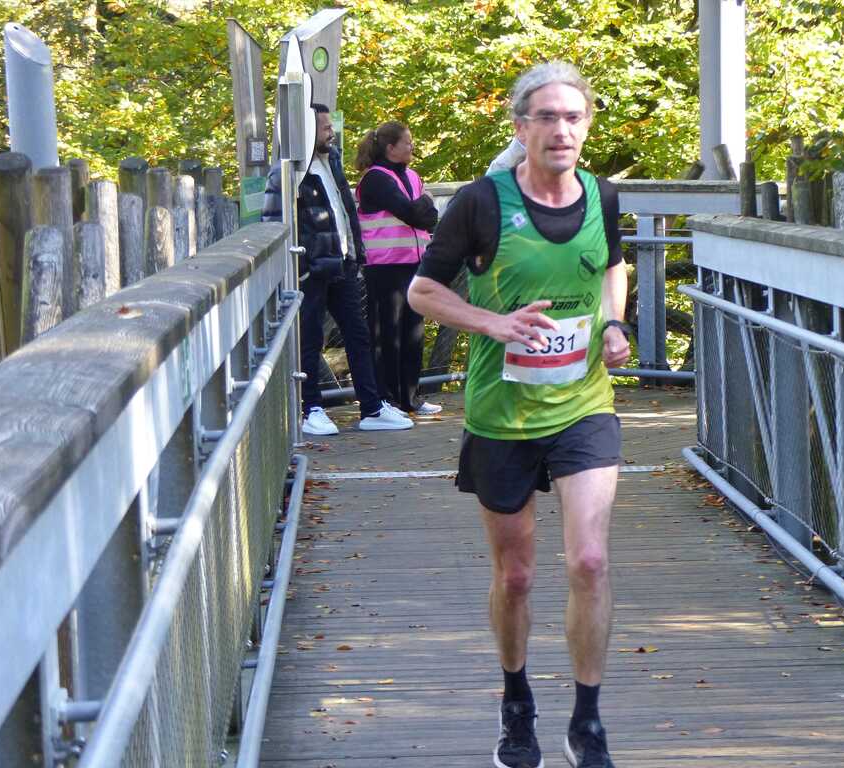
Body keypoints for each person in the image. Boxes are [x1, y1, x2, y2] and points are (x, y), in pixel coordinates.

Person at [408, 63, 631, 768]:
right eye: (547, 117)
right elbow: (421, 292)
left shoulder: (603, 195)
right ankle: (516, 702)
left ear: (586, 126)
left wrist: (613, 322)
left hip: (583, 405)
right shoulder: (480, 203)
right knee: (517, 577)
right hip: (502, 415)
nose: (562, 130)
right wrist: (493, 323)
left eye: (574, 117)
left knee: (589, 560)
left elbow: (611, 264)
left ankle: (587, 722)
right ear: (521, 127)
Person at [262, 103, 413, 435]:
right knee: (310, 338)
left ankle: (372, 407)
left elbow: (344, 210)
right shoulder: (286, 172)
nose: (332, 132)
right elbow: (273, 221)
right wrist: (302, 265)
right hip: (312, 268)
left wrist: (356, 253)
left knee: (359, 335)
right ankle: (311, 408)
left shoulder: (332, 161)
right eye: (325, 127)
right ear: (306, 130)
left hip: (342, 262)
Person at [355, 121, 441, 416]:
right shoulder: (376, 179)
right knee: (387, 333)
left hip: (414, 263)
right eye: (407, 142)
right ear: (391, 148)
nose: (412, 146)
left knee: (412, 332)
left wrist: (422, 208)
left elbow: (428, 218)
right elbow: (412, 213)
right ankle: (386, 398)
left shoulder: (412, 176)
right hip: (386, 265)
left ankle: (410, 397)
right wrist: (425, 202)